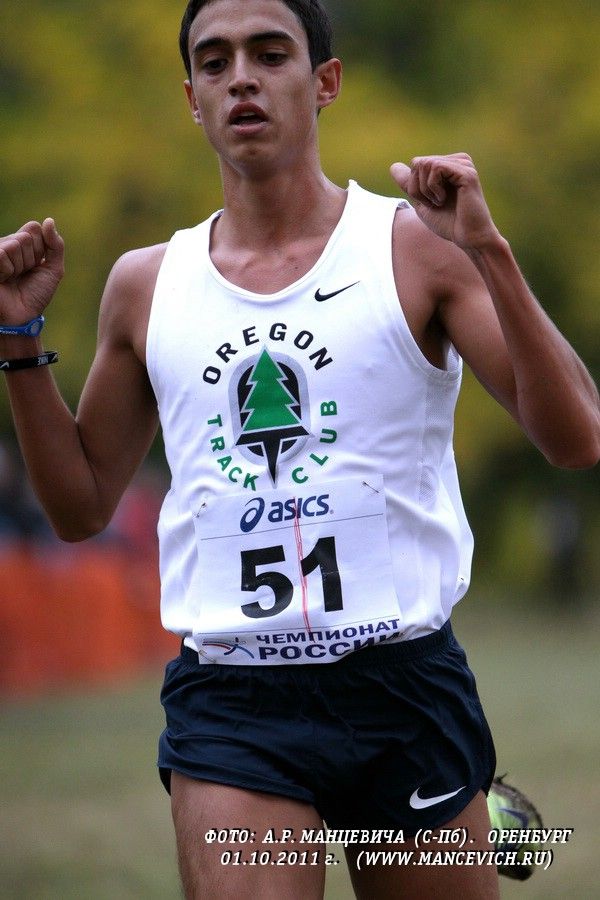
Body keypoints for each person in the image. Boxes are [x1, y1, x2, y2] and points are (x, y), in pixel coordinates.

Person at [0, 0, 598, 896]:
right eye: (214, 62)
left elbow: (576, 438)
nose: (241, 77)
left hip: (404, 687)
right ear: (192, 100)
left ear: (325, 83)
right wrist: (17, 340)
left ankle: (468, 798)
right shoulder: (145, 285)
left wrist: (489, 250)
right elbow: (80, 508)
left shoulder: (416, 247)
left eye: (269, 53)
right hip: (234, 700)